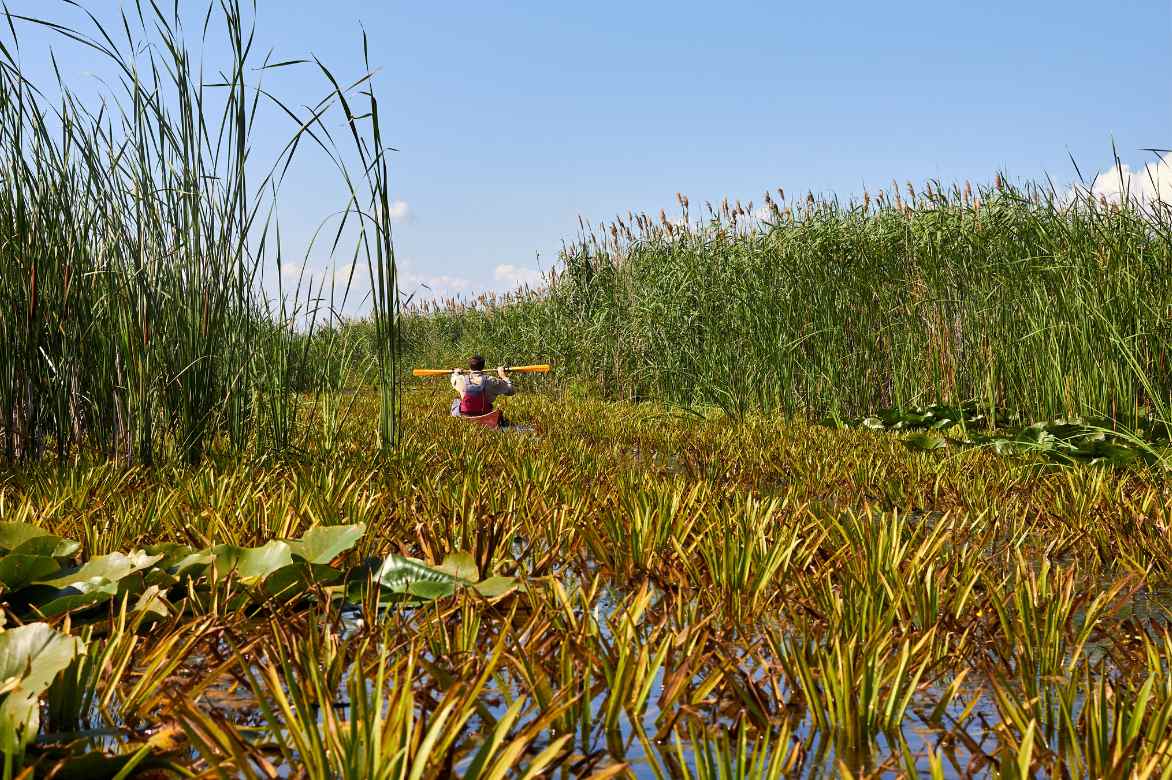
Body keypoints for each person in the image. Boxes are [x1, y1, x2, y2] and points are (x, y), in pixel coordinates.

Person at [450, 355, 515, 420]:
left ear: (469, 366)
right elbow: (511, 391)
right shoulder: (491, 381)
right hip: (484, 414)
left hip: (465, 414)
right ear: (483, 366)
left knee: (456, 401)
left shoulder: (461, 379)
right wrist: (503, 376)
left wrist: (456, 373)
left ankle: (458, 419)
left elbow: (453, 379)